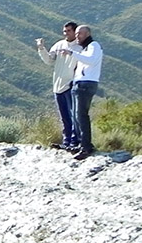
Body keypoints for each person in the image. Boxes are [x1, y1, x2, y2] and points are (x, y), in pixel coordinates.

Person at [36, 22, 80, 151]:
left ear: (75, 32)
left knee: (74, 115)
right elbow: (49, 60)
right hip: (58, 84)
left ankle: (75, 141)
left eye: (68, 31)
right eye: (64, 31)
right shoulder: (59, 44)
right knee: (64, 116)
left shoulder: (80, 47)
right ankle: (66, 142)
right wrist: (41, 48)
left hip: (71, 85)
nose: (66, 33)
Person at [70, 25, 103, 161]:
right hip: (79, 83)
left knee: (82, 115)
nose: (78, 36)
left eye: (80, 34)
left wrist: (73, 53)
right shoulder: (85, 49)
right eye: (77, 34)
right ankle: (81, 143)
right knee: (76, 116)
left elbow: (91, 60)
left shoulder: (94, 46)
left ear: (88, 34)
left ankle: (86, 147)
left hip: (86, 83)